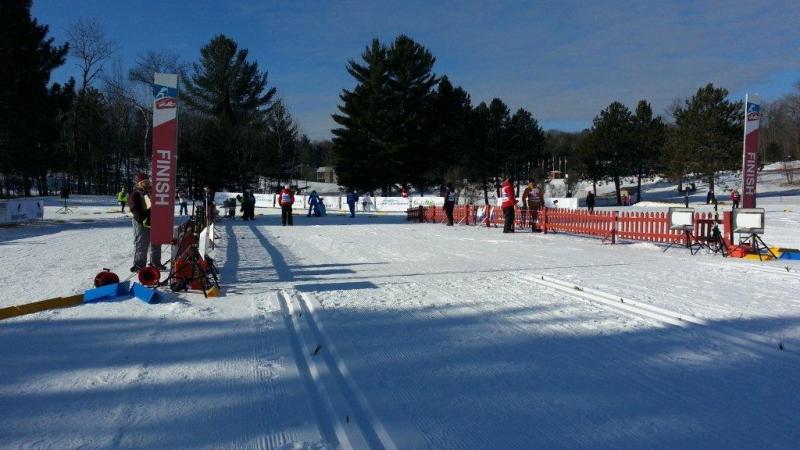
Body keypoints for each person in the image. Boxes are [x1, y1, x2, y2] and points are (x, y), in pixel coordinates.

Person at [128, 173, 165, 272]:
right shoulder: (136, 193)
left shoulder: (153, 192)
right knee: (142, 243)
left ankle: (156, 263)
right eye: (143, 182)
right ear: (138, 183)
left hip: (155, 221)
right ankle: (139, 265)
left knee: (156, 243)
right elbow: (133, 207)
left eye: (147, 181)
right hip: (141, 222)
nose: (146, 183)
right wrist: (141, 219)